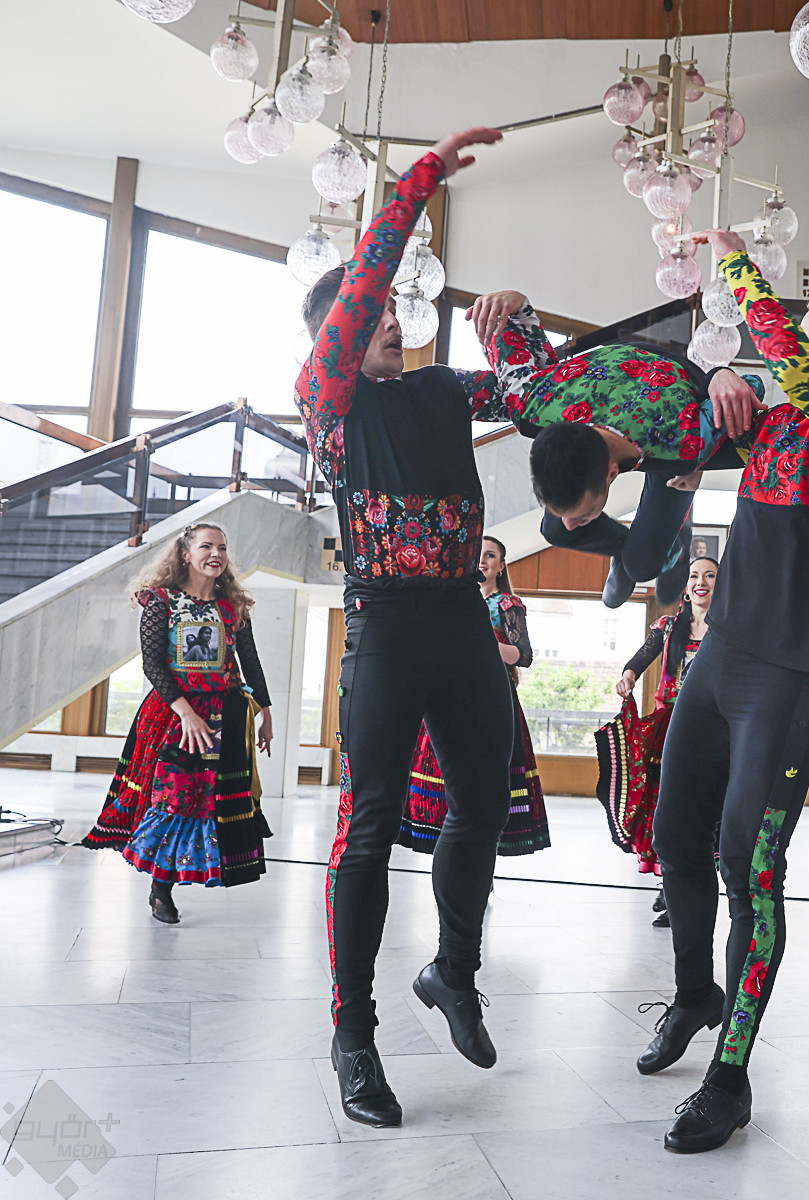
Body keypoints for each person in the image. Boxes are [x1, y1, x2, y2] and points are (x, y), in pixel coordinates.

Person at [295, 127, 539, 1130]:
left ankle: (452, 972)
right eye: (377, 314)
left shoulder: (441, 390)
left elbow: (538, 400)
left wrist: (515, 324)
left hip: (460, 623)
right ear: (336, 336)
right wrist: (421, 181)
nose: (394, 320)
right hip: (386, 628)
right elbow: (364, 284)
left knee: (481, 804)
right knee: (367, 833)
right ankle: (353, 1035)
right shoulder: (330, 406)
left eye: (398, 313)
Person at [641, 227, 809, 1155]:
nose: (796, 365)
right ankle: (693, 993)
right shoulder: (779, 419)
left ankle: (731, 1076)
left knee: (748, 870)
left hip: (791, 678)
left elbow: (784, 360)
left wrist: (739, 269)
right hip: (718, 660)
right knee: (674, 838)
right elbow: (678, 417)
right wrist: (715, 376)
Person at [460, 297, 767, 610]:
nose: (572, 522)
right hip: (612, 386)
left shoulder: (684, 443)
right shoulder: (533, 405)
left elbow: (749, 388)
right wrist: (514, 301)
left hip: (670, 403)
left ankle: (675, 546)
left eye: (582, 515)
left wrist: (718, 375)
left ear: (612, 473)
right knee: (555, 530)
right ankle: (626, 550)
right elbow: (512, 324)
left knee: (642, 566)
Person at [82, 523, 273, 923]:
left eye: (222, 547)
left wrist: (266, 713)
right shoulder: (161, 600)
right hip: (173, 715)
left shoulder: (233, 606)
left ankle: (182, 876)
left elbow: (250, 661)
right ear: (186, 554)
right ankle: (160, 889)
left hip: (226, 714)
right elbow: (152, 664)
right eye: (206, 546)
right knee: (174, 797)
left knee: (209, 800)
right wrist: (185, 712)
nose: (216, 554)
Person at [397, 536, 550, 857]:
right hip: (446, 695)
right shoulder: (450, 601)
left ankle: (476, 858)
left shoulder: (506, 604)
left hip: (491, 699)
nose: (482, 560)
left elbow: (523, 655)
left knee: (484, 782)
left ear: (501, 566)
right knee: (447, 778)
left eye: (490, 555)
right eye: (478, 554)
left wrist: (483, 643)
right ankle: (450, 853)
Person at [595, 558, 718, 925]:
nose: (701, 581)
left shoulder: (728, 628)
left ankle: (691, 886)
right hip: (671, 728)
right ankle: (670, 884)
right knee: (666, 807)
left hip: (714, 727)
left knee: (706, 808)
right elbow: (639, 660)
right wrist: (627, 677)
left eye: (710, 575)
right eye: (694, 576)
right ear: (686, 586)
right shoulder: (668, 627)